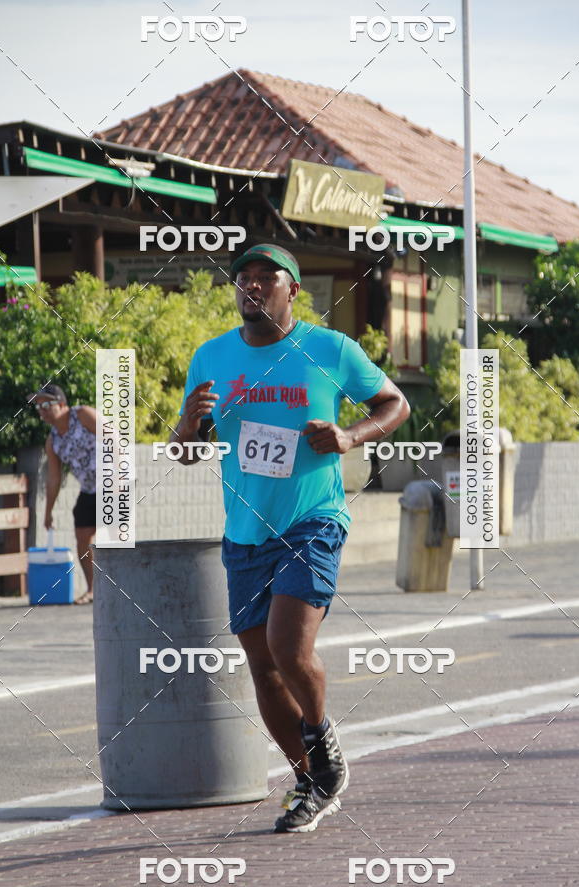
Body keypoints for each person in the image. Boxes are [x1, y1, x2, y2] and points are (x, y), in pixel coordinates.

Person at [172, 244, 410, 833]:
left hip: (313, 519)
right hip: (246, 530)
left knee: (288, 647)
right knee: (263, 667)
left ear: (292, 290)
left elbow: (394, 403)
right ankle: (313, 780)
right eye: (243, 279)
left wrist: (351, 436)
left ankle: (322, 742)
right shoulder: (211, 357)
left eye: (264, 278)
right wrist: (185, 427)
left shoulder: (329, 349)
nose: (251, 287)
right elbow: (187, 452)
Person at [28, 384, 97, 605]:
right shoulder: (53, 441)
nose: (43, 410)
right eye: (39, 406)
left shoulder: (82, 414)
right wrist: (48, 513)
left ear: (62, 403)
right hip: (89, 489)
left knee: (116, 539)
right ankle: (93, 589)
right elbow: (54, 479)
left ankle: (123, 589)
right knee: (82, 537)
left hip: (116, 483)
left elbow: (114, 437)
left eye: (47, 404)